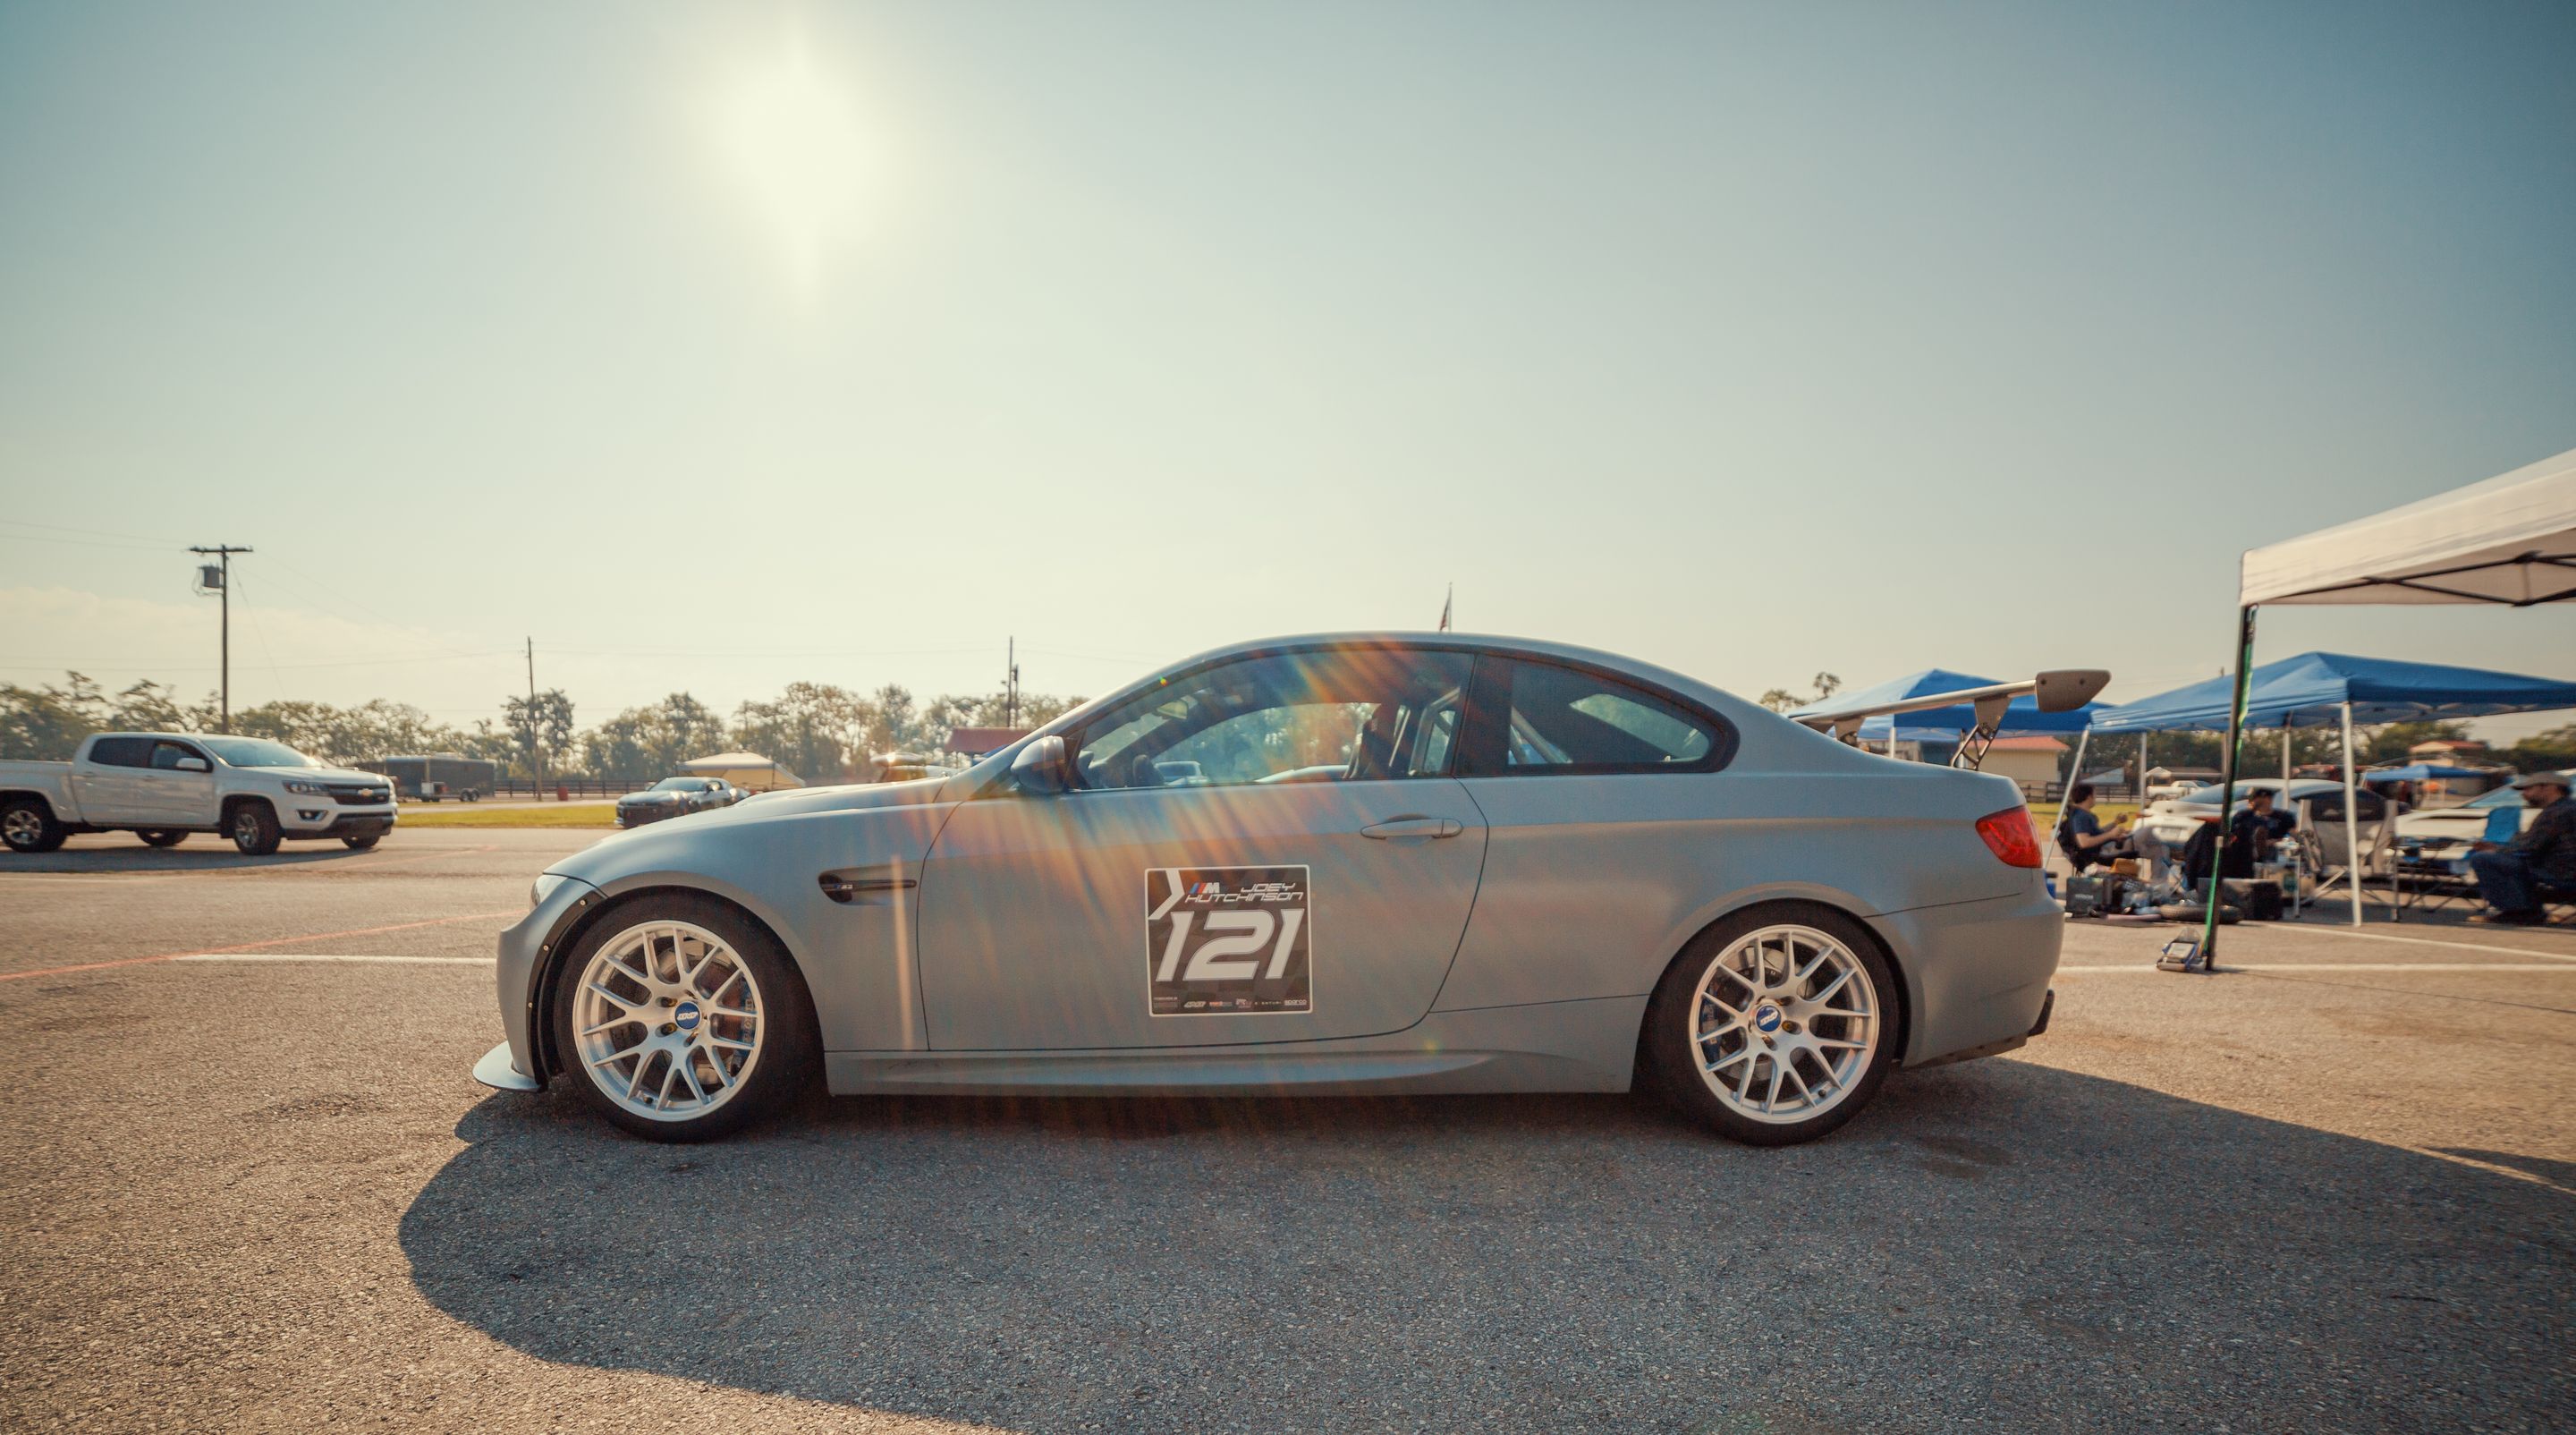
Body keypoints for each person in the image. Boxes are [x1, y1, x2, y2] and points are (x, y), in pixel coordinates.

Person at [2467, 771, 2575, 926]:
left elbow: (2530, 849)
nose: (2524, 794)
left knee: (2484, 859)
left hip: (2565, 872)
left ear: (2550, 788)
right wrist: (2501, 849)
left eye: (2528, 789)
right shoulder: (2568, 808)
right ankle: (2527, 911)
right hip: (2564, 868)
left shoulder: (2556, 813)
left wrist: (2495, 851)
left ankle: (2521, 912)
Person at [2057, 783, 2135, 872]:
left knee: (2135, 840)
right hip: (2095, 855)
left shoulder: (2083, 814)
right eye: (2095, 794)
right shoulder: (2081, 816)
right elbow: (2084, 842)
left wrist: (2116, 822)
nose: (2096, 797)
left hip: (2098, 851)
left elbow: (2097, 833)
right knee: (2139, 843)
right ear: (2089, 797)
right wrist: (2111, 835)